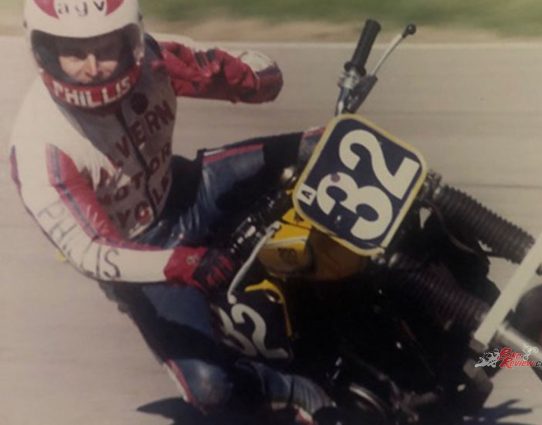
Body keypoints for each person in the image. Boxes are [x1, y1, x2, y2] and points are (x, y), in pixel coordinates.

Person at [9, 0, 336, 423]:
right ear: (45, 51)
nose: (94, 68)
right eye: (74, 53)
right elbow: (90, 252)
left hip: (190, 189)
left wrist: (240, 78)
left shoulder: (156, 57)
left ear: (131, 40)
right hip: (142, 256)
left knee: (328, 145)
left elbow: (268, 74)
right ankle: (290, 387)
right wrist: (178, 264)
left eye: (107, 47)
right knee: (209, 389)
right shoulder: (40, 146)